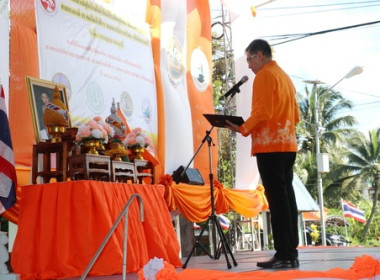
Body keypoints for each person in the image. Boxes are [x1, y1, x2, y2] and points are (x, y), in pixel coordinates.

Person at [226, 39, 300, 269]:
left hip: (270, 147)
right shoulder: (284, 76)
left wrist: (243, 128)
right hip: (287, 144)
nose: (248, 65)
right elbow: (295, 115)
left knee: (278, 201)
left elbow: (263, 112)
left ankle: (284, 254)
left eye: (249, 59)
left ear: (260, 55)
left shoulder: (265, 75)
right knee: (286, 198)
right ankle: (290, 251)